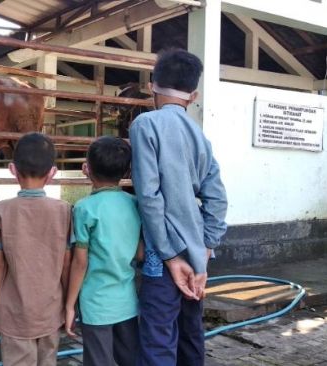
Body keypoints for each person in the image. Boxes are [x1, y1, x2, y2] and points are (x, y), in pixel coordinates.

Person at [130, 49, 228, 366]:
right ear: (194, 94)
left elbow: (148, 196)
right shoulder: (200, 136)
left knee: (158, 340)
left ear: (151, 86)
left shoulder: (145, 124)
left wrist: (171, 257)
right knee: (190, 336)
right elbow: (217, 198)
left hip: (164, 257)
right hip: (196, 256)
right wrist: (207, 248)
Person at [0, 132, 72, 366]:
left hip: (15, 314)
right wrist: (66, 302)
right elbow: (66, 264)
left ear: (13, 170)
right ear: (52, 173)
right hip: (50, 311)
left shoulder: (0, 211)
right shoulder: (65, 211)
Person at [64, 136, 142, 366]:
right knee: (130, 359)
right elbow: (140, 254)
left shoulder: (84, 208)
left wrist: (69, 305)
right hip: (127, 301)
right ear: (127, 171)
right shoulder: (134, 203)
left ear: (87, 169)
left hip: (96, 304)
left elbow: (80, 263)